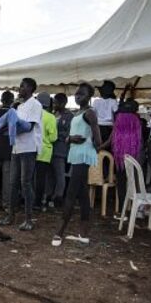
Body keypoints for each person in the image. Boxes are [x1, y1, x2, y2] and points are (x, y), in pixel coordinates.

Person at [52, 83, 102, 246]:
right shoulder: (78, 113)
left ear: (89, 96)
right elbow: (69, 136)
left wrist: (88, 144)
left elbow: (98, 140)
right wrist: (69, 139)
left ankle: (60, 231)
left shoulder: (90, 113)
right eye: (77, 93)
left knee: (71, 193)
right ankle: (83, 233)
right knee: (82, 194)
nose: (78, 96)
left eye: (82, 94)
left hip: (83, 155)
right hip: (75, 153)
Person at [0, 77, 43, 231]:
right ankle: (10, 216)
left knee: (26, 183)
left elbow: (29, 127)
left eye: (22, 86)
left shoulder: (35, 105)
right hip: (17, 147)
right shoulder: (19, 106)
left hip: (29, 148)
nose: (19, 89)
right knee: (13, 183)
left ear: (30, 88)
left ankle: (28, 219)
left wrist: (10, 131)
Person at [102, 96, 142, 219]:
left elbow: (110, 139)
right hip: (134, 155)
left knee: (121, 182)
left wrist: (98, 147)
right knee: (134, 181)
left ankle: (121, 211)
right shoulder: (136, 119)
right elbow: (139, 138)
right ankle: (137, 209)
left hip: (119, 155)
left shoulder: (119, 118)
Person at [34, 92, 58, 211]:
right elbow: (53, 138)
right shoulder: (51, 117)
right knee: (40, 178)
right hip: (45, 152)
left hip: (32, 149)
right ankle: (38, 203)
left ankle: (28, 200)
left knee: (29, 177)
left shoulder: (33, 114)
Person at [50, 92, 72, 208]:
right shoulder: (53, 114)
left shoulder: (69, 116)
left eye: (56, 103)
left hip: (61, 150)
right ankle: (50, 196)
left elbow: (68, 133)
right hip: (51, 149)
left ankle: (58, 198)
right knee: (51, 175)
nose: (54, 104)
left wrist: (55, 134)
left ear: (63, 103)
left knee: (60, 175)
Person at [92, 80, 117, 144]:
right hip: (109, 128)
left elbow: (92, 114)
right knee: (107, 146)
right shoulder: (113, 101)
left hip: (97, 127)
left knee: (97, 146)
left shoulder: (96, 101)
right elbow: (116, 114)